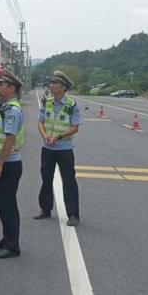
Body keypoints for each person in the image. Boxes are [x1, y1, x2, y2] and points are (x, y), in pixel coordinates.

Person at [34, 70, 83, 226]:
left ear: (63, 87)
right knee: (46, 179)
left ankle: (73, 214)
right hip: (47, 148)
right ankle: (46, 209)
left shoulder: (71, 105)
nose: (51, 85)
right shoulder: (47, 102)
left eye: (55, 83)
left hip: (64, 149)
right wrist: (44, 136)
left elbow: (75, 127)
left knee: (68, 181)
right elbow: (40, 122)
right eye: (52, 83)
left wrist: (58, 137)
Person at [0, 69, 25, 259]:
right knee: (3, 205)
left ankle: (12, 246)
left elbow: (10, 138)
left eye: (2, 85)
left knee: (8, 205)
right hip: (3, 161)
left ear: (11, 88)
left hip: (8, 165)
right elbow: (1, 137)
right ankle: (7, 238)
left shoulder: (12, 110)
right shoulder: (5, 108)